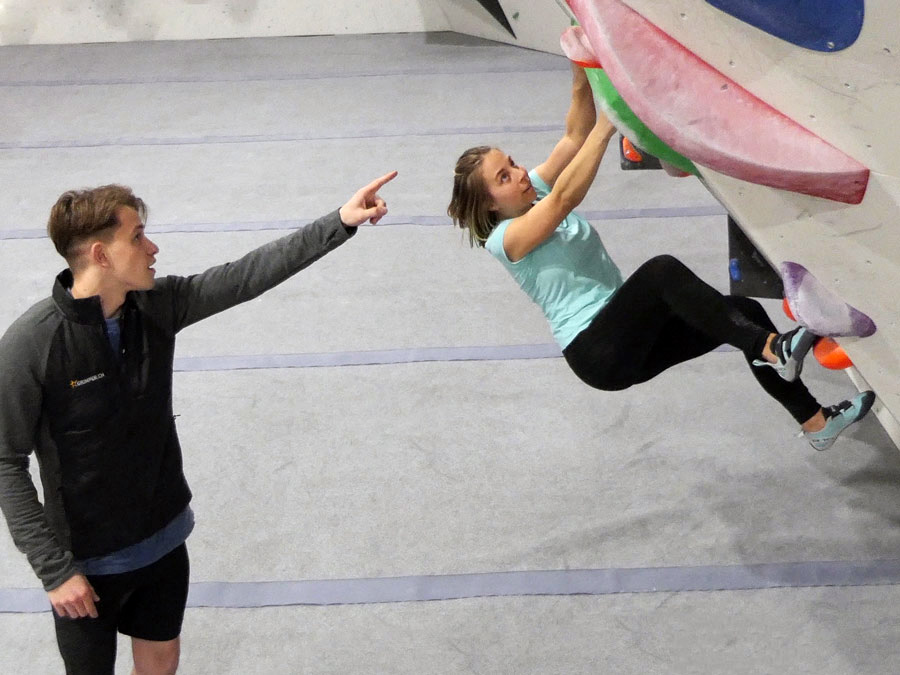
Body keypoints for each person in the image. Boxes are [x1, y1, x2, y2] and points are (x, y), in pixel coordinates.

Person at [0, 170, 396, 674]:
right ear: (100, 255)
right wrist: (54, 571)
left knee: (162, 659)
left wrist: (338, 222)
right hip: (85, 566)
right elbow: (5, 460)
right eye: (137, 237)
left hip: (163, 538)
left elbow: (247, 276)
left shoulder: (158, 306)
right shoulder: (32, 344)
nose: (153, 248)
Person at [447, 62, 874, 451]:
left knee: (741, 314)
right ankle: (773, 350)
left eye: (514, 164)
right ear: (488, 205)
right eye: (504, 177)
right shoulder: (505, 239)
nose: (521, 174)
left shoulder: (529, 192)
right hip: (597, 350)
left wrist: (581, 66)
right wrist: (610, 122)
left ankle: (815, 421)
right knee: (660, 273)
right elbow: (561, 200)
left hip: (626, 335)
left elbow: (573, 135)